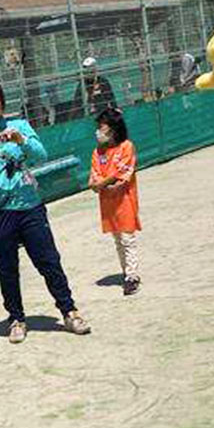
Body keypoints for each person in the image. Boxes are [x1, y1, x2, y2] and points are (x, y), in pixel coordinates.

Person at [0, 75, 91, 344]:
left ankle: (69, 310)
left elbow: (41, 155)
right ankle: (16, 318)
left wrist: (21, 141)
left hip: (28, 205)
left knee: (48, 261)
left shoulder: (18, 125)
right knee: (6, 268)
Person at [87, 108, 142, 296]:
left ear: (113, 129)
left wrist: (101, 183)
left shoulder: (126, 146)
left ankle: (132, 276)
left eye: (101, 127)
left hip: (124, 200)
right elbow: (94, 173)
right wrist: (96, 183)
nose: (98, 132)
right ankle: (127, 272)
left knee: (127, 238)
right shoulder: (98, 151)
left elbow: (123, 172)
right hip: (108, 202)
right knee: (118, 239)